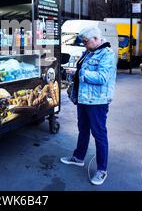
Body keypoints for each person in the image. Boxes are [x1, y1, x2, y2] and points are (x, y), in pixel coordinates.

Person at [60, 26, 117, 186]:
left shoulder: (107, 54)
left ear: (96, 39)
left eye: (86, 41)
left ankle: (102, 169)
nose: (84, 44)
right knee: (83, 129)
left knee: (99, 134)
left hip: (97, 102)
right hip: (84, 99)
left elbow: (102, 77)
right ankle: (78, 157)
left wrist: (81, 74)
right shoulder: (89, 52)